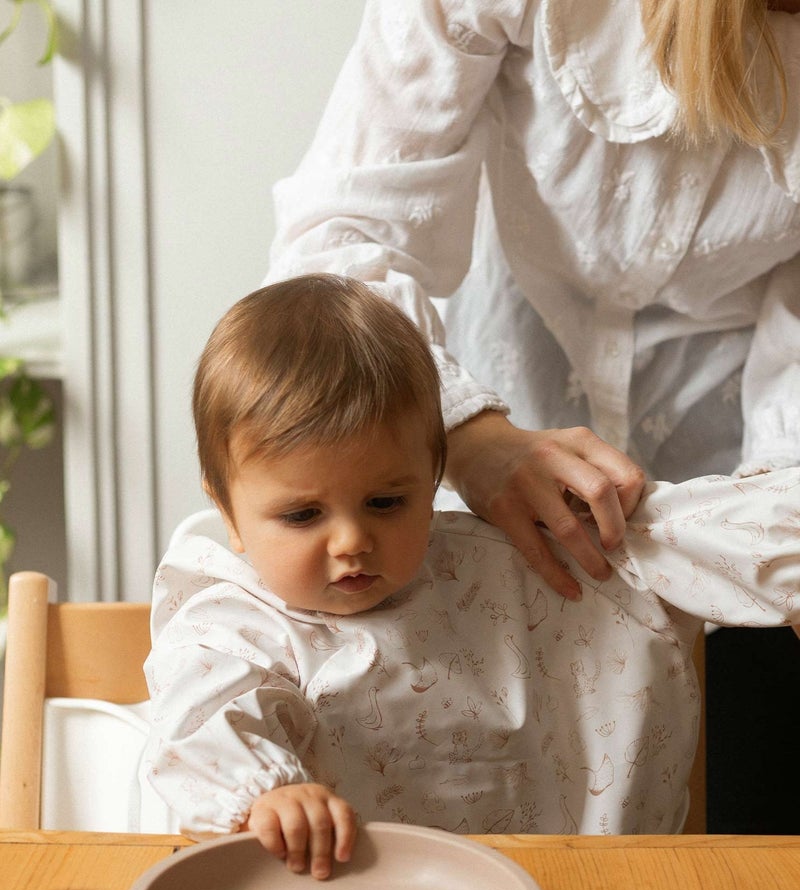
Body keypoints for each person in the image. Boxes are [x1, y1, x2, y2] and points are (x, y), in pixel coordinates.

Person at [263, 0, 800, 831]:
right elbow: (342, 234)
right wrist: (466, 429)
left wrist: (777, 520)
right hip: (490, 414)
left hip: (730, 450)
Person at [142, 274, 800, 878]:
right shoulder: (232, 617)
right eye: (303, 514)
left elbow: (689, 539)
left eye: (386, 502)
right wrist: (268, 792)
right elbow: (202, 713)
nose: (350, 541)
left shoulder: (515, 563)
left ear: (432, 481)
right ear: (226, 509)